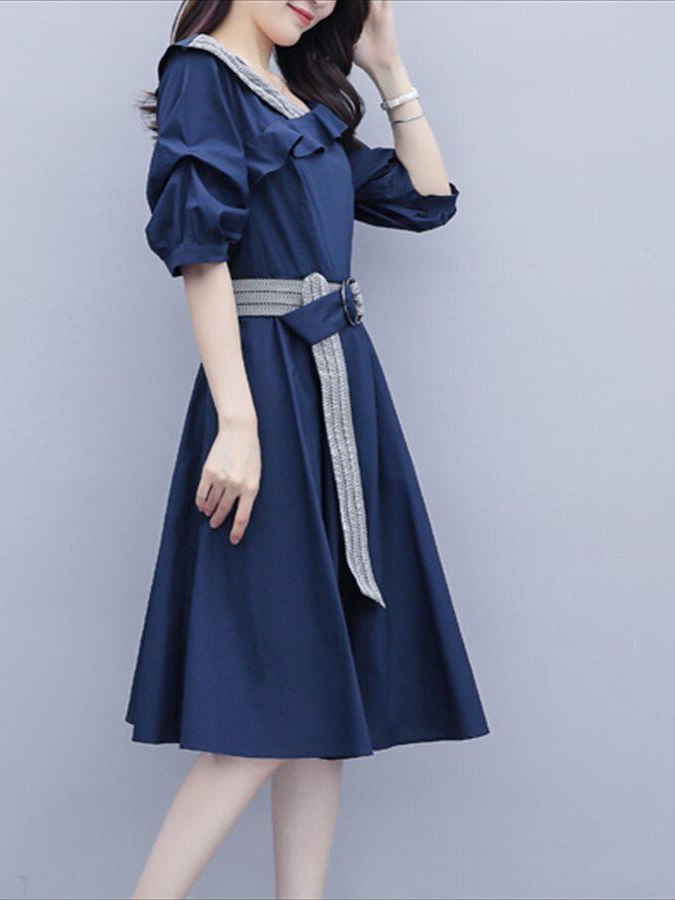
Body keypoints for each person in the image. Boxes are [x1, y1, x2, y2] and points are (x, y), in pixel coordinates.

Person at [125, 1, 489, 897]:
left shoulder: (299, 95)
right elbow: (202, 255)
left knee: (321, 714)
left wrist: (388, 68)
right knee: (271, 704)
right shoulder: (203, 71)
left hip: (341, 389)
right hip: (266, 393)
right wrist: (238, 423)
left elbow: (428, 200)